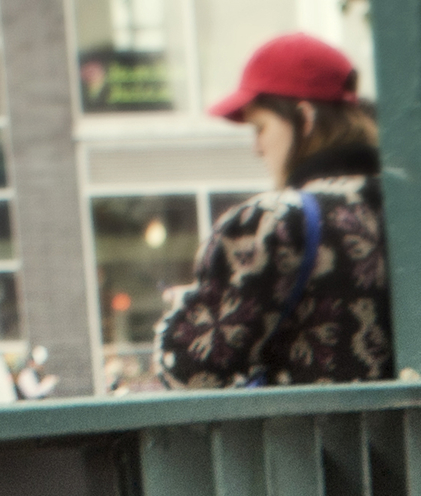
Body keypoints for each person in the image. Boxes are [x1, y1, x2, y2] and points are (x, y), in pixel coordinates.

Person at [157, 33, 391, 390]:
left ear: (305, 117)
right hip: (407, 443)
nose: (257, 147)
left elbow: (188, 372)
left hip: (304, 443)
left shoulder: (274, 221)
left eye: (260, 127)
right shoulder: (404, 205)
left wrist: (183, 305)